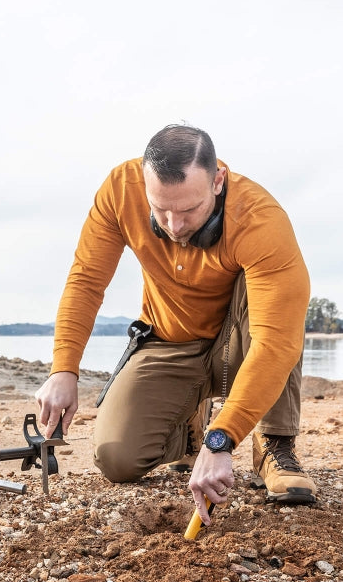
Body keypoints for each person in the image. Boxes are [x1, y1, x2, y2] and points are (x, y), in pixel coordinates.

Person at [35, 124, 316, 526]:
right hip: (169, 339)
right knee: (117, 459)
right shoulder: (119, 189)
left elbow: (277, 343)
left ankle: (275, 442)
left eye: (188, 210)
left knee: (278, 314)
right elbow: (86, 280)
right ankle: (189, 431)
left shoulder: (261, 219)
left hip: (242, 340)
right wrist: (64, 369)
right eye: (160, 209)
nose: (174, 225)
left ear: (217, 180)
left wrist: (224, 439)